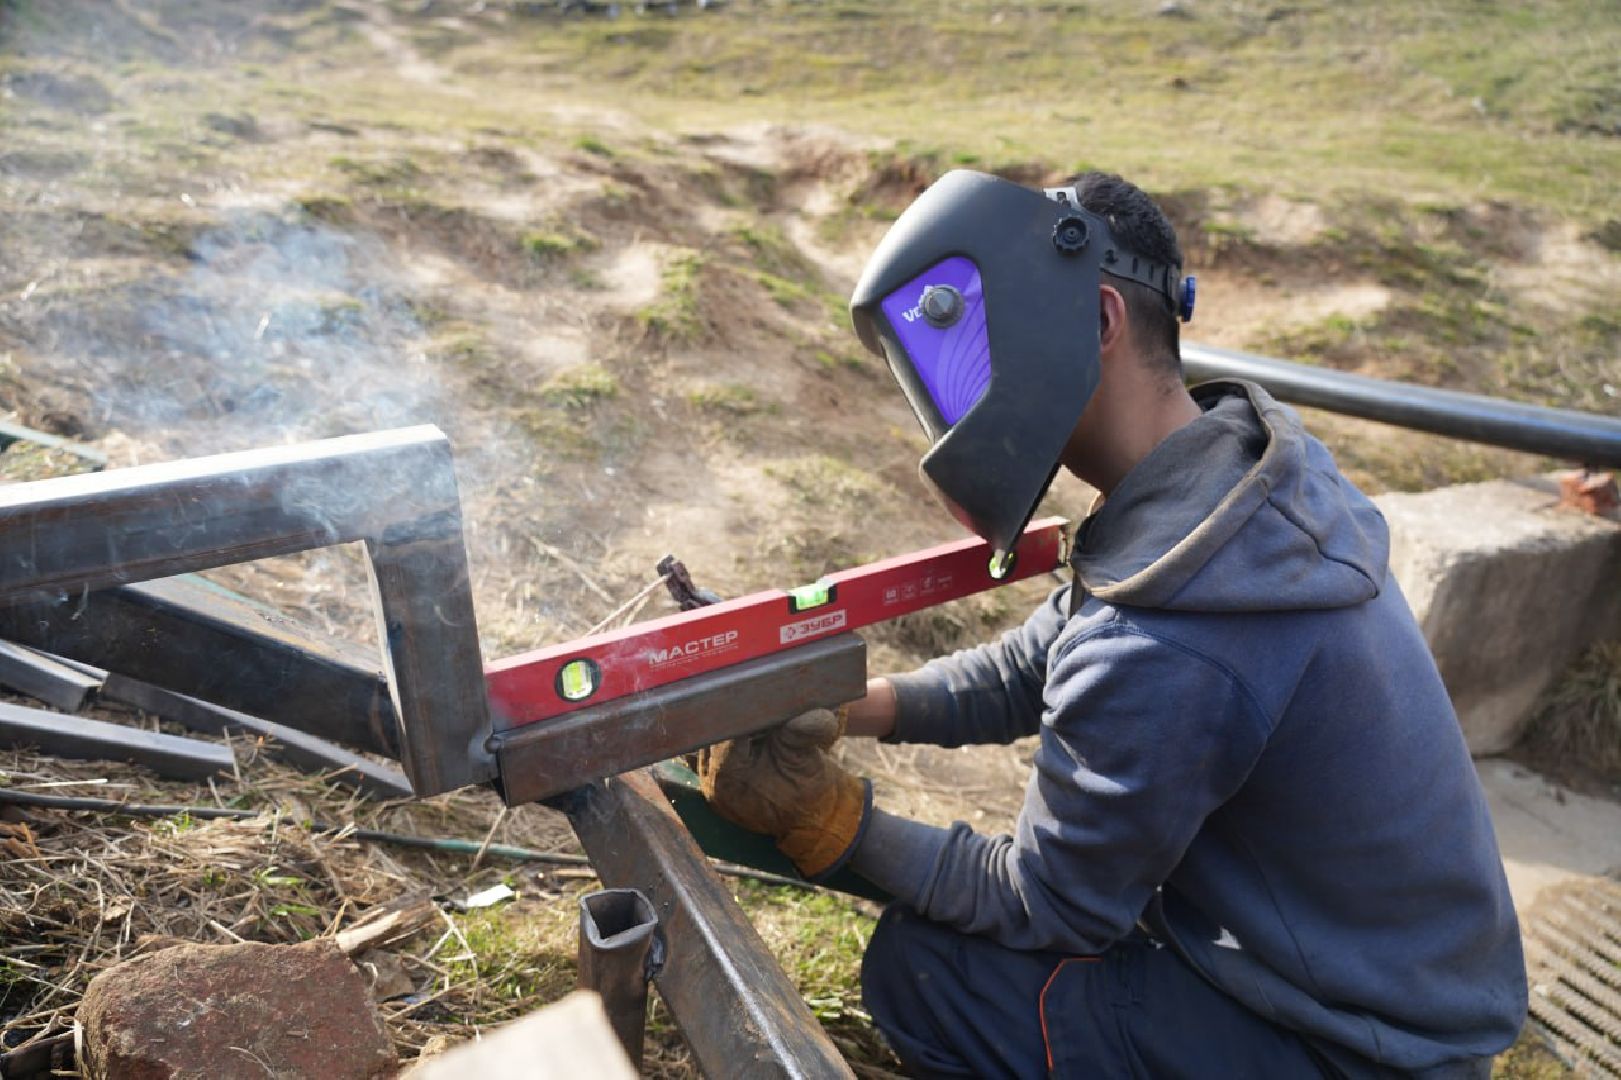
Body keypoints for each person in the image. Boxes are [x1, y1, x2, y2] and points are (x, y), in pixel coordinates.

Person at [699, 170, 1526, 1078]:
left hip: (1350, 1049)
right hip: (1382, 985)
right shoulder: (1234, 494)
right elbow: (1036, 662)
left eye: (978, 352)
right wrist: (847, 701)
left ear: (1097, 322)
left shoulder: (1177, 632)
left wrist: (828, 820)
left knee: (928, 972)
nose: (964, 395)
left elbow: (1047, 904)